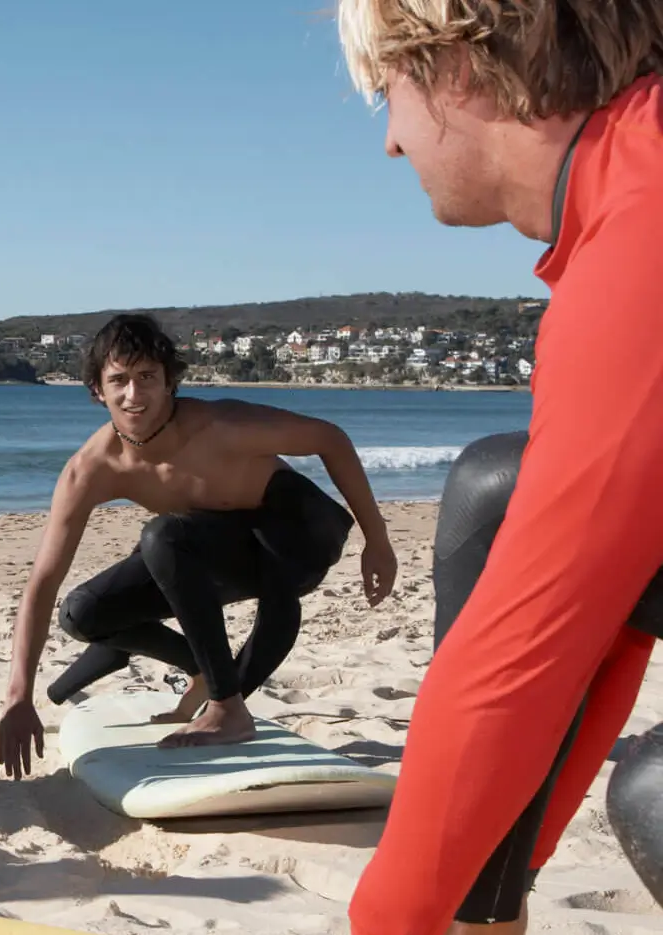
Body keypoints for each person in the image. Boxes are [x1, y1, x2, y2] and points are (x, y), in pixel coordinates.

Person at [332, 2, 663, 932]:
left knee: (659, 795)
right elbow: (612, 620)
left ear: (455, 67)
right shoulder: (634, 172)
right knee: (497, 486)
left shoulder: (647, 228)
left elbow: (521, 657)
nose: (392, 145)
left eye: (385, 95)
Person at [0, 313, 397, 770]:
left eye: (147, 377)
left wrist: (376, 540)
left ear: (170, 383)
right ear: (96, 390)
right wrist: (17, 696)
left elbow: (330, 438)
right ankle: (206, 670)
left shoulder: (221, 425)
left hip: (300, 530)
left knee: (163, 536)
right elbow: (43, 583)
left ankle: (227, 707)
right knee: (83, 611)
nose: (133, 394)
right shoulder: (91, 469)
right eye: (119, 380)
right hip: (207, 543)